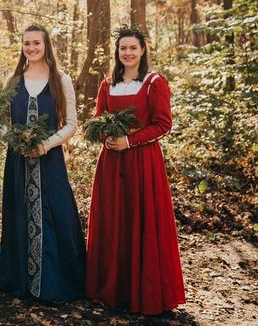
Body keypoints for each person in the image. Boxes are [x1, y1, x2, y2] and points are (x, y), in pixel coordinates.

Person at [86, 26, 186, 315]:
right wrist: (108, 138)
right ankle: (113, 289)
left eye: (132, 48)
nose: (127, 53)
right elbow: (98, 120)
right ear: (117, 53)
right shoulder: (108, 84)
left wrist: (129, 140)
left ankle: (143, 291)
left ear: (143, 50)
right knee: (114, 220)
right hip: (111, 164)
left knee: (140, 221)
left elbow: (163, 124)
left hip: (142, 163)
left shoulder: (154, 83)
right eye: (122, 48)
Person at [0, 24, 86, 301]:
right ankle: (21, 279)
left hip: (51, 161)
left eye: (36, 43)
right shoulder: (13, 80)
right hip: (18, 161)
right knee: (20, 213)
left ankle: (53, 282)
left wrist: (44, 145)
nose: (31, 48)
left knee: (56, 213)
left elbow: (71, 125)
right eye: (26, 44)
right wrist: (16, 140)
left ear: (46, 45)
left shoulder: (61, 79)